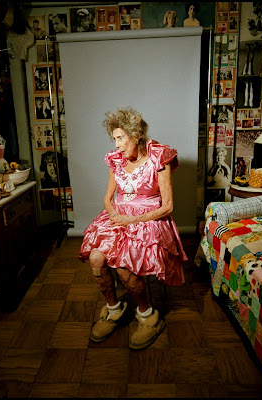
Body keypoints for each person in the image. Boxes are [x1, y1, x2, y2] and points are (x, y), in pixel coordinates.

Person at [79, 107, 188, 350]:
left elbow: (168, 207)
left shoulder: (158, 157)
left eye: (120, 138)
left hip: (149, 220)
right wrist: (115, 216)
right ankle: (114, 310)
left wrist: (132, 220)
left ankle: (148, 316)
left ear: (136, 135)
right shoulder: (116, 159)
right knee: (96, 258)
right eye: (114, 139)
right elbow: (107, 198)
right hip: (119, 217)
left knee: (124, 266)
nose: (116, 145)